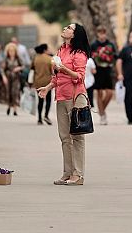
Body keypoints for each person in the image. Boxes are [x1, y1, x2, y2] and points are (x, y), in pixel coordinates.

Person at [38, 23, 90, 186]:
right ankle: (67, 172)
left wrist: (64, 68)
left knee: (77, 136)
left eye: (69, 28)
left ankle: (78, 174)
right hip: (61, 96)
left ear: (75, 34)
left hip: (75, 97)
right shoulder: (61, 50)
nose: (65, 29)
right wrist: (47, 88)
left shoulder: (79, 54)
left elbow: (80, 77)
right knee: (65, 137)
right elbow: (57, 76)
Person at [90, 26, 118, 125]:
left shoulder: (110, 44)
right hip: (97, 71)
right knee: (99, 93)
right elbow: (90, 57)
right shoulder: (94, 44)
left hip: (108, 70)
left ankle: (102, 110)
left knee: (109, 93)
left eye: (103, 33)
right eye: (100, 33)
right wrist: (98, 54)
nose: (102, 35)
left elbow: (115, 56)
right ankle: (102, 116)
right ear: (97, 34)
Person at [33, 44, 54, 125]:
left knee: (40, 100)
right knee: (48, 99)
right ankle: (46, 115)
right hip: (47, 82)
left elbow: (32, 68)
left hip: (38, 81)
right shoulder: (49, 59)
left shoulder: (36, 58)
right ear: (45, 50)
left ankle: (39, 119)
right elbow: (52, 71)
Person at [2, 43, 24, 116]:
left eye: (13, 51)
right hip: (8, 77)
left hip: (16, 78)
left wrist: (19, 68)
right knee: (8, 92)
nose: (11, 52)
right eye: (10, 51)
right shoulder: (6, 59)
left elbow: (23, 66)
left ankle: (15, 109)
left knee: (15, 92)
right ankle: (8, 106)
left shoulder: (18, 58)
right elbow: (2, 69)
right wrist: (4, 77)